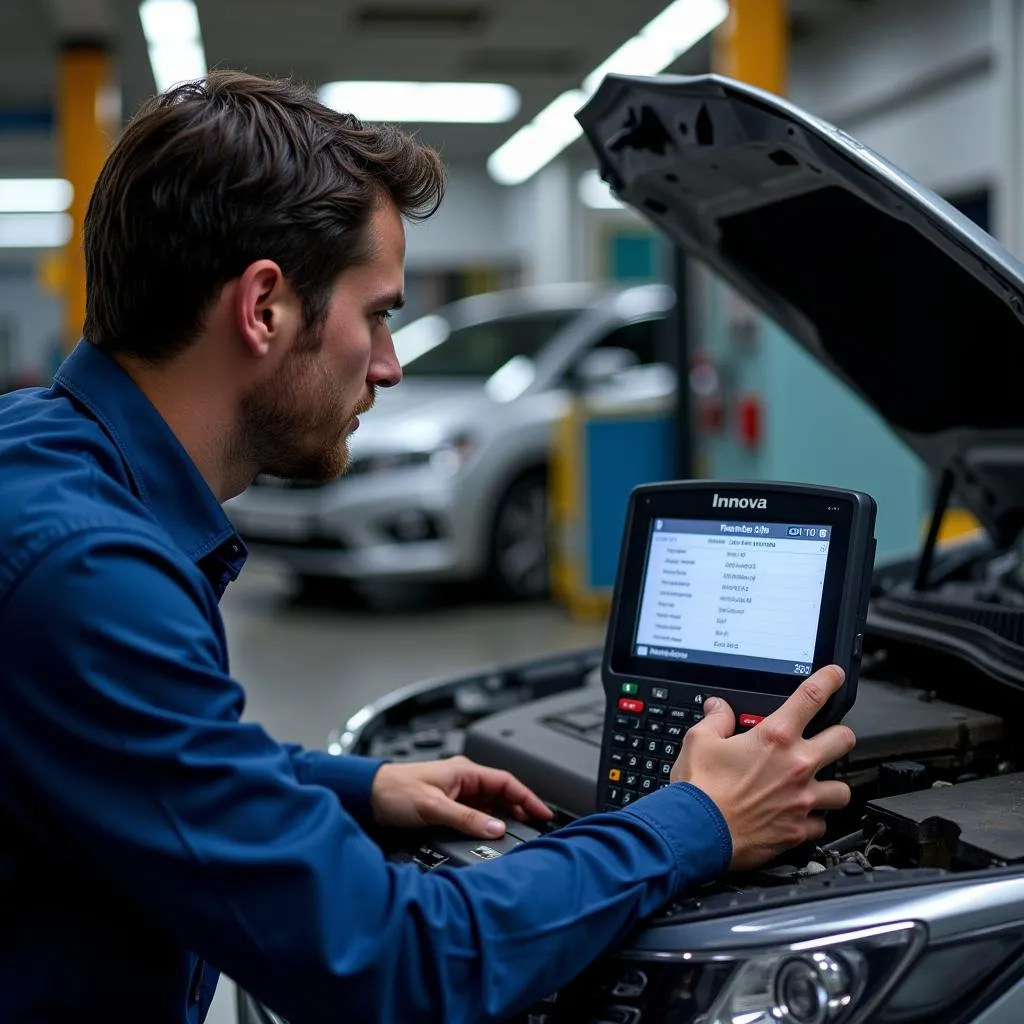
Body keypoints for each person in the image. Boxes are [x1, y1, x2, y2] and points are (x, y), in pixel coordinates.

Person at [0, 70, 856, 1024]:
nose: (390, 366)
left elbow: (145, 759)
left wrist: (355, 787)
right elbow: (392, 962)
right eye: (377, 315)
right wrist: (694, 822)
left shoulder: (41, 453)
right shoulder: (86, 572)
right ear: (264, 308)